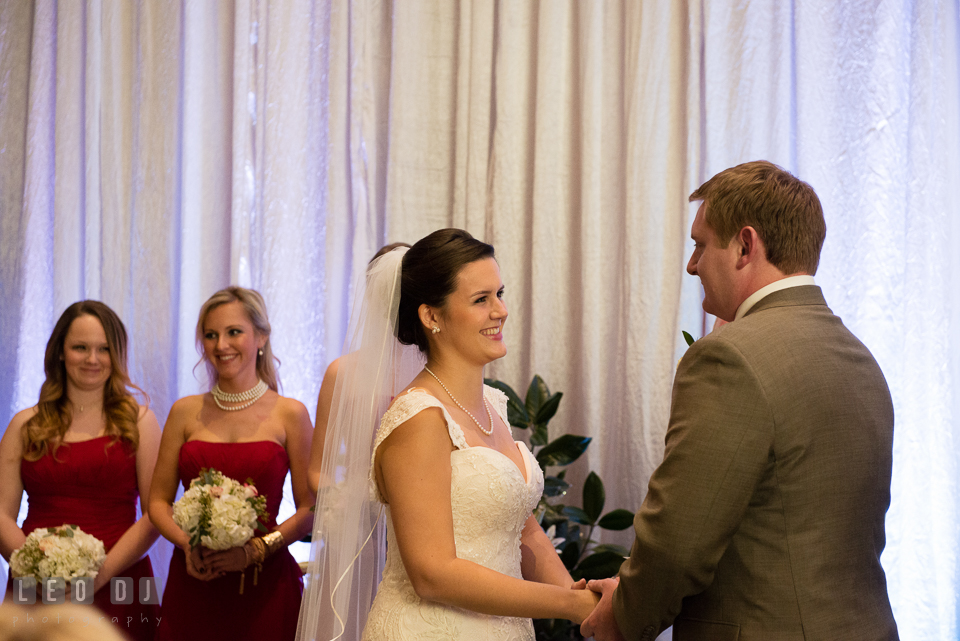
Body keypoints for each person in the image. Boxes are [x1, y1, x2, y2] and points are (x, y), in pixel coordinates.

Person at [581, 161, 899, 641]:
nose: (692, 264)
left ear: (745, 246)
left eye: (701, 244)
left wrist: (622, 618)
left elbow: (677, 543)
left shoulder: (730, 358)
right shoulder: (859, 356)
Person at [297, 229, 598, 641]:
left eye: (499, 293)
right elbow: (432, 574)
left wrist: (580, 601)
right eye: (481, 300)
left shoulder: (494, 404)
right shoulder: (417, 417)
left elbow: (522, 528)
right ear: (431, 316)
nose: (501, 311)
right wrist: (565, 605)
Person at [149, 287, 314, 641]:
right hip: (195, 577)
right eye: (211, 335)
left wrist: (256, 550)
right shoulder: (183, 412)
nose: (221, 345)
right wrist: (185, 543)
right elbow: (157, 502)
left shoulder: (291, 414)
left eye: (233, 332)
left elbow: (310, 509)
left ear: (261, 337)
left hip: (265, 584)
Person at [0, 301, 162, 641]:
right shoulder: (24, 425)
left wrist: (99, 576)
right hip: (37, 584)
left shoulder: (141, 422)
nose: (92, 359)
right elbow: (1, 513)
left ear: (117, 355)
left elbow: (155, 514)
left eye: (104, 349)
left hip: (120, 578)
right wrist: (37, 569)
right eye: (80, 347)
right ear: (60, 352)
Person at [307, 241, 411, 496]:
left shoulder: (440, 369)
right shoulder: (341, 373)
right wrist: (346, 504)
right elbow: (317, 470)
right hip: (359, 516)